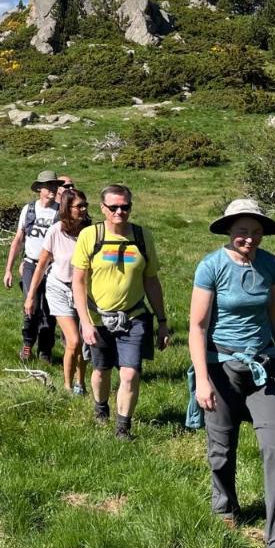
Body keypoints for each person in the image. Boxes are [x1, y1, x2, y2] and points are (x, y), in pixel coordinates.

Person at [189, 199, 275, 548]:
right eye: (242, 231)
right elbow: (197, 326)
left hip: (265, 367)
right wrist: (203, 379)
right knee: (221, 448)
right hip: (221, 367)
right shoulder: (210, 267)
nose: (249, 238)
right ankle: (225, 508)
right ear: (229, 230)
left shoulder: (269, 264)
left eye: (255, 232)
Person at [71, 184, 171, 440]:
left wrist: (162, 321)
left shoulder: (142, 236)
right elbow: (79, 282)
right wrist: (85, 322)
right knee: (101, 370)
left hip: (134, 316)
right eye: (113, 207)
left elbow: (151, 280)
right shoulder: (90, 236)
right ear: (102, 208)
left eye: (124, 207)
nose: (119, 212)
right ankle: (101, 407)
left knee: (130, 373)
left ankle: (123, 427)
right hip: (98, 317)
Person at [25, 187, 91, 394]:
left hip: (83, 291)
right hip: (59, 288)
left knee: (83, 341)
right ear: (66, 208)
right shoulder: (56, 230)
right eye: (78, 206)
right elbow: (42, 264)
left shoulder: (91, 232)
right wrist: (30, 296)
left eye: (84, 205)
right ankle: (67, 386)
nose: (82, 209)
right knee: (74, 340)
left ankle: (81, 383)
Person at [4, 170, 61, 362]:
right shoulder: (28, 209)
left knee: (50, 309)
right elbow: (18, 239)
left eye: (55, 185)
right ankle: (28, 343)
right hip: (30, 264)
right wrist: (8, 270)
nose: (53, 189)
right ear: (39, 189)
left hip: (53, 268)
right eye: (49, 186)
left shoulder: (61, 211)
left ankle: (45, 350)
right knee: (31, 306)